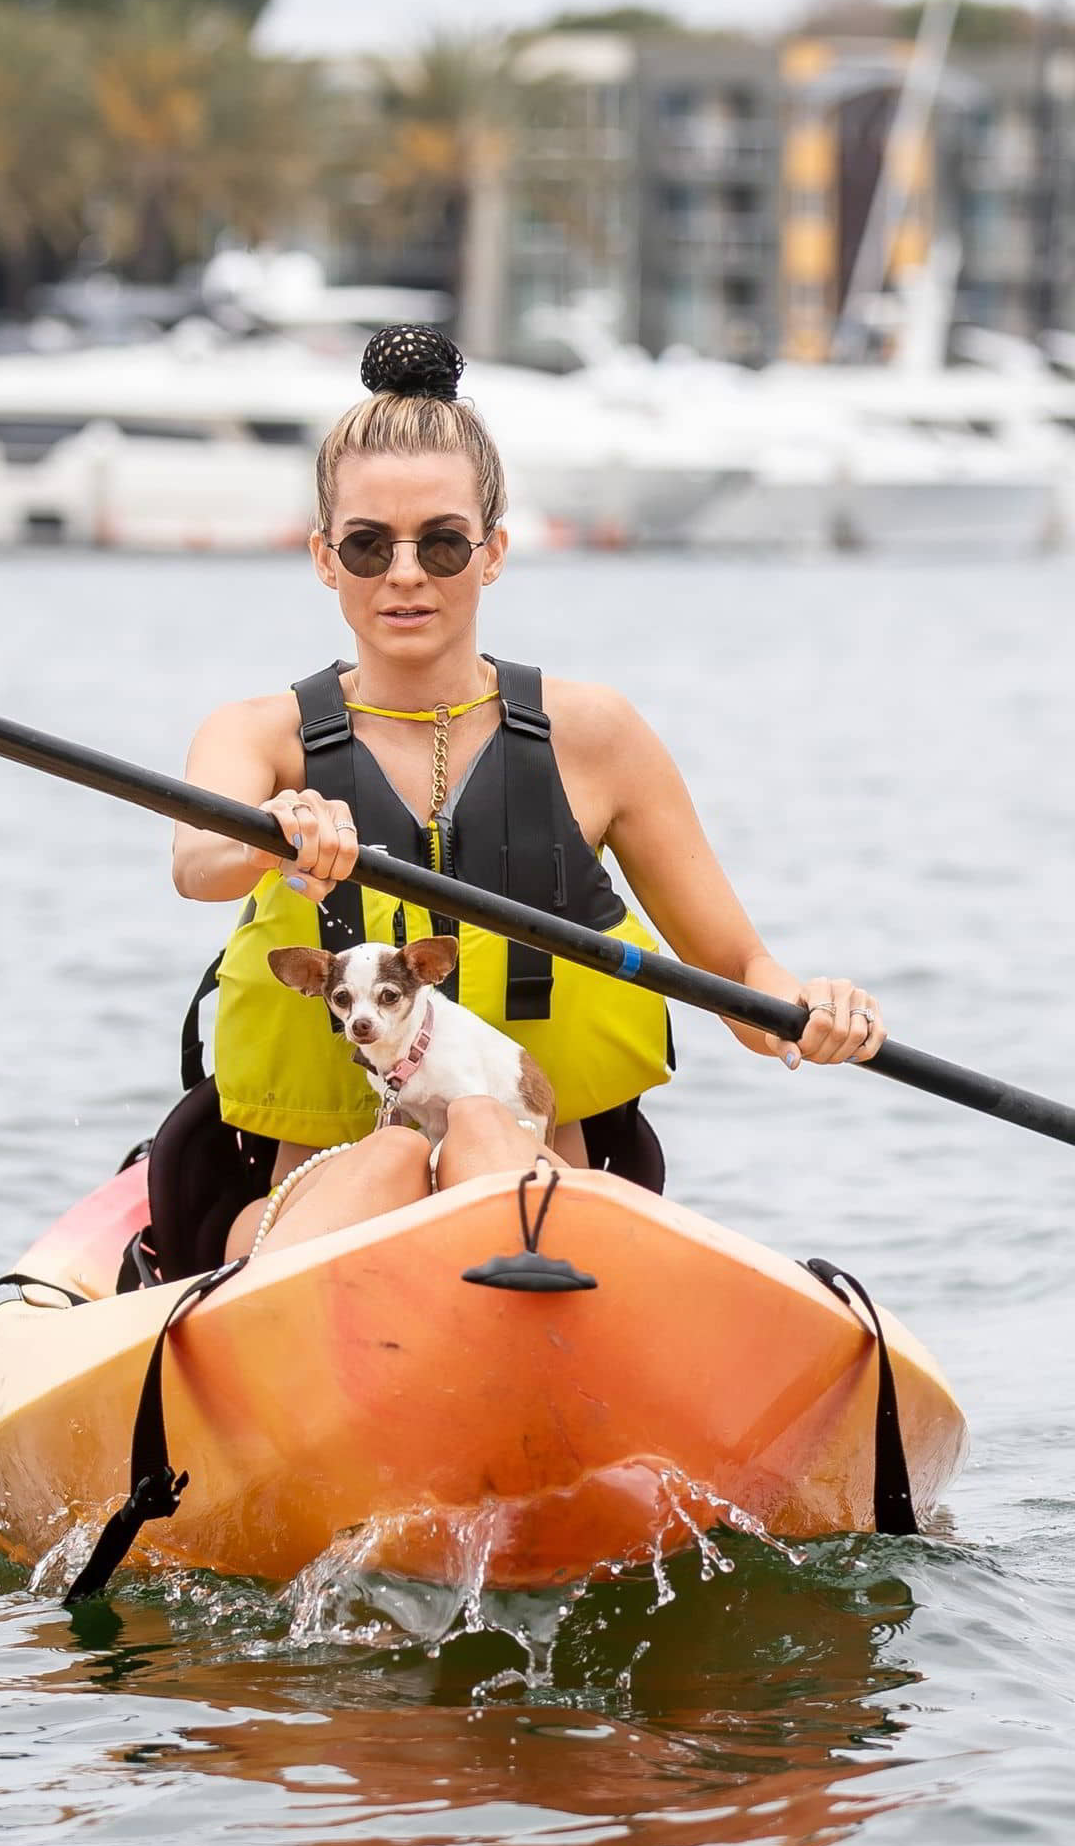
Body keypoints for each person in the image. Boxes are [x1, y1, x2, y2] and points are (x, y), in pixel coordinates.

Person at [172, 325, 886, 1259]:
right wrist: (273, 833)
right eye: (366, 545)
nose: (404, 575)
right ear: (321, 556)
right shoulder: (258, 737)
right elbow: (199, 865)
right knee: (392, 1158)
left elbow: (745, 983)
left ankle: (522, 1281)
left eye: (442, 544)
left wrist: (814, 1010)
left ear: (494, 551)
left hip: (541, 1201)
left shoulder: (597, 737)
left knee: (478, 1128)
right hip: (322, 1220)